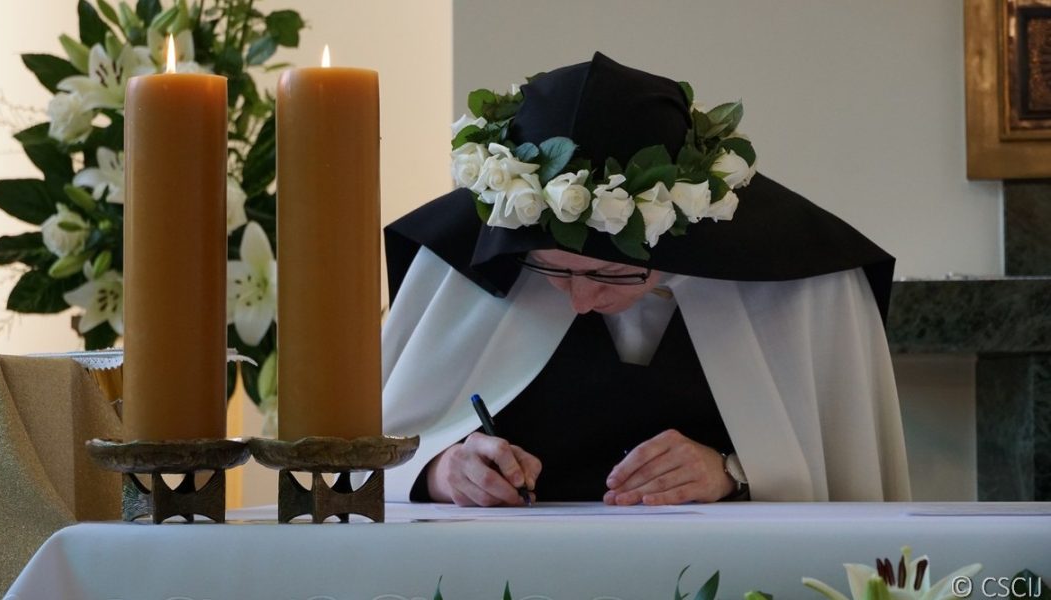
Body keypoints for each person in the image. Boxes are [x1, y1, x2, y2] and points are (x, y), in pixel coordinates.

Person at [382, 52, 911, 506]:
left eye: (611, 272)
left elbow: (848, 471)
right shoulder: (457, 276)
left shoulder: (808, 286)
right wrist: (441, 470)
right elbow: (370, 460)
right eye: (553, 270)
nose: (582, 300)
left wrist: (735, 469)